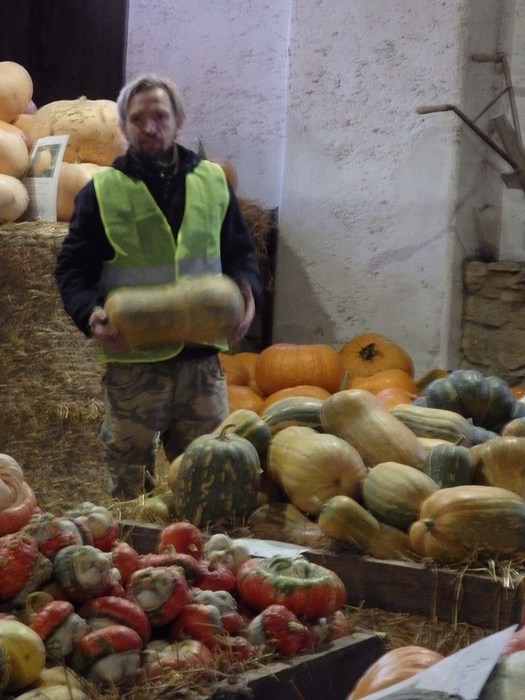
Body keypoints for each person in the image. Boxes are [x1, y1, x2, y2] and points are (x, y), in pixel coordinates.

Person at [55, 73, 262, 500]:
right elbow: (73, 269)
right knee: (129, 493)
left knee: (209, 485)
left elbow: (241, 253)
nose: (149, 127)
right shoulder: (101, 191)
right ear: (123, 126)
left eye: (160, 116)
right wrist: (90, 312)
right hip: (134, 363)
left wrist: (248, 293)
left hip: (200, 363)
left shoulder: (214, 182)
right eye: (137, 118)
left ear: (178, 121)